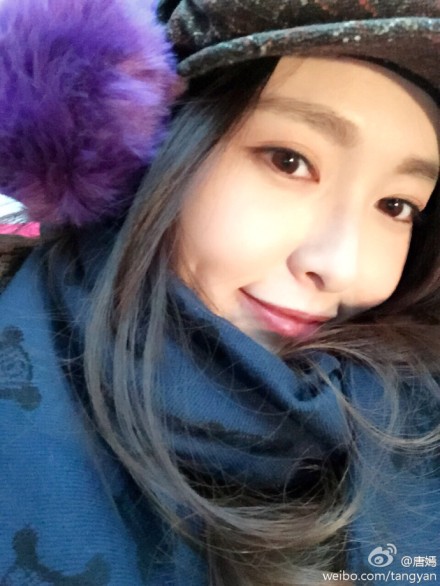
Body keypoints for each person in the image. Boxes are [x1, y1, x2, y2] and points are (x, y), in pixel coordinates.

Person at [0, 0, 439, 584]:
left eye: (396, 205)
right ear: (154, 149)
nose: (340, 266)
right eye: (289, 161)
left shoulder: (415, 415)